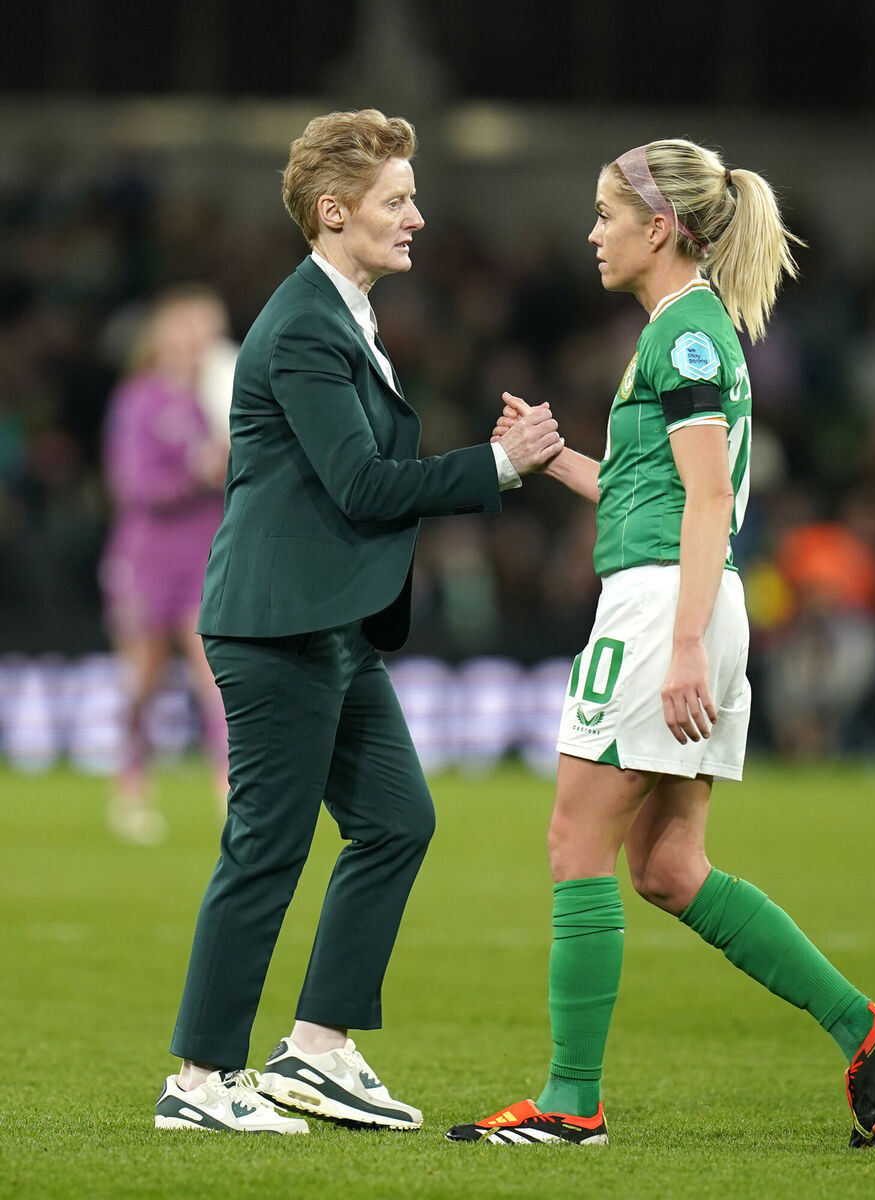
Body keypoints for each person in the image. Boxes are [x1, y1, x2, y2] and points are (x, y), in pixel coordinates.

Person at [446, 139, 875, 1149]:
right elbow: (655, 493)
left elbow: (708, 498)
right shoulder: (680, 330)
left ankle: (569, 1102)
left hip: (665, 608)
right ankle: (866, 1028)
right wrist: (553, 459)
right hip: (689, 600)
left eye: (603, 215)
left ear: (655, 227)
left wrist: (675, 647)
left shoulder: (686, 336)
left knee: (572, 842)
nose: (591, 232)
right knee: (667, 867)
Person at [154, 109, 563, 1134]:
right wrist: (498, 468)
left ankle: (320, 1050)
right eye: (396, 200)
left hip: (329, 624)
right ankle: (198, 1083)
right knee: (266, 850)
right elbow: (358, 483)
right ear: (333, 213)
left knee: (396, 821)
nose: (417, 216)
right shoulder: (301, 323)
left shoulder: (333, 312)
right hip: (279, 626)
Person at [100, 285, 231, 845]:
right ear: (164, 336)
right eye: (190, 329)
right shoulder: (139, 401)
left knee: (217, 684)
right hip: (146, 560)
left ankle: (230, 800)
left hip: (205, 558)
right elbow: (132, 485)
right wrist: (198, 472)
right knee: (143, 683)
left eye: (209, 331)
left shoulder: (221, 398)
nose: (200, 342)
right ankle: (130, 786)